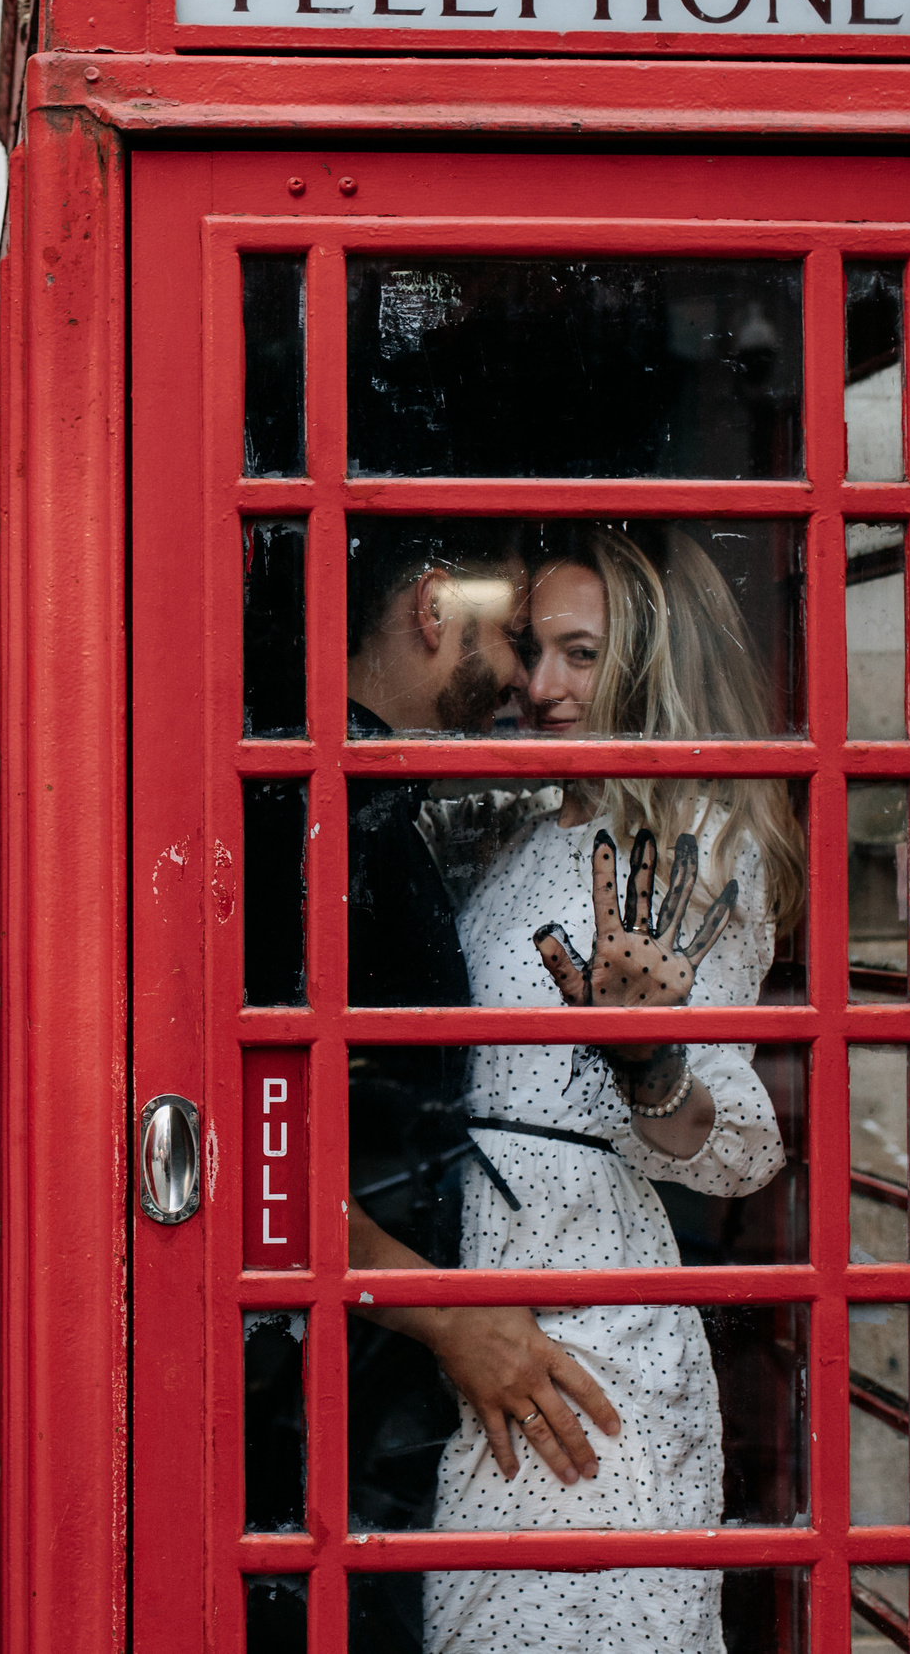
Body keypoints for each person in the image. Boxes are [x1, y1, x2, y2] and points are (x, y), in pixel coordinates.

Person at [414, 525, 808, 1652]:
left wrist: (651, 1057)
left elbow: (739, 1142)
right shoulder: (535, 828)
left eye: (579, 656)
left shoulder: (690, 842)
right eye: (533, 651)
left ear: (649, 660)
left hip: (576, 1349)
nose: (540, 686)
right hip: (477, 1315)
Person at [335, 521, 648, 1619]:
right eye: (515, 634)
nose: (527, 676)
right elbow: (252, 1141)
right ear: (434, 611)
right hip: (327, 1390)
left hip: (389, 1384)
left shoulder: (387, 806)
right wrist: (445, 1319)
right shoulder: (322, 822)